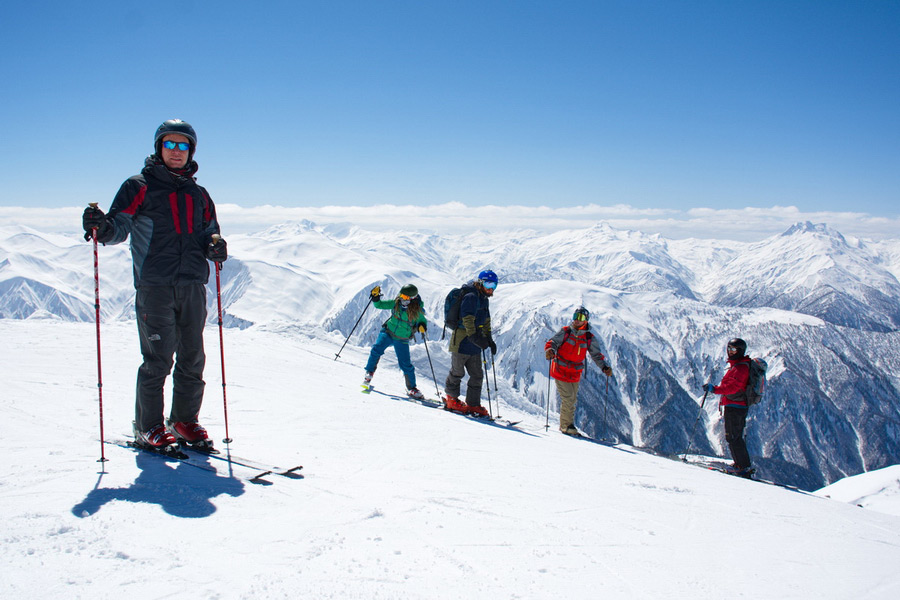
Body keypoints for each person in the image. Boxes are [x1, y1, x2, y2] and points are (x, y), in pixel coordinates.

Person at [82, 119, 226, 452]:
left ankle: (183, 420)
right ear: (159, 148)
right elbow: (118, 228)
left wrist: (216, 247)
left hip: (192, 285)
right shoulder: (139, 186)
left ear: (191, 151)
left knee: (192, 357)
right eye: (169, 144)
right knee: (158, 360)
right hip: (155, 286)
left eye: (183, 145)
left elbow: (210, 233)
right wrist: (100, 227)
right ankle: (148, 426)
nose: (176, 151)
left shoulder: (200, 195)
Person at [544, 307, 612, 436]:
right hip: (560, 370)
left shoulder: (588, 338)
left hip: (574, 373)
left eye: (580, 317)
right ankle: (566, 426)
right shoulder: (566, 332)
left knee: (572, 399)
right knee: (568, 398)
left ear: (586, 320)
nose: (577, 320)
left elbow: (596, 355)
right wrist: (550, 350)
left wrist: (604, 367)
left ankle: (567, 424)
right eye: (575, 316)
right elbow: (553, 342)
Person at [443, 270, 499, 417]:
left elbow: (486, 320)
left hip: (475, 343)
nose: (491, 289)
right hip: (461, 341)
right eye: (488, 284)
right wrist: (474, 336)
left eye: (494, 285)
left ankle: (473, 404)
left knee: (477, 374)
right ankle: (451, 400)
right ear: (480, 282)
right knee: (457, 372)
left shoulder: (484, 298)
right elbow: (467, 319)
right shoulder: (471, 297)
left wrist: (489, 338)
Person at [363, 284, 428, 399]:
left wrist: (422, 325)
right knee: (376, 349)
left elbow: (422, 320)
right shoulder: (396, 303)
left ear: (412, 298)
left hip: (402, 338)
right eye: (402, 295)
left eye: (406, 297)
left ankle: (412, 388)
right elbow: (379, 305)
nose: (402, 298)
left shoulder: (417, 310)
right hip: (388, 332)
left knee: (405, 364)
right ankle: (369, 372)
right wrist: (375, 297)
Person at [703, 338, 753, 477]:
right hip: (736, 405)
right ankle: (741, 465)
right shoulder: (737, 366)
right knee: (734, 436)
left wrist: (715, 389)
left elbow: (733, 387)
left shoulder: (740, 368)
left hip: (736, 406)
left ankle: (742, 467)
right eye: (729, 349)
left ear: (740, 351)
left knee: (733, 437)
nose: (730, 352)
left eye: (733, 349)